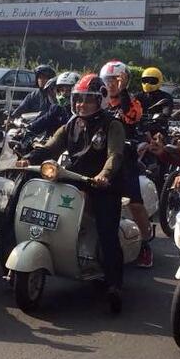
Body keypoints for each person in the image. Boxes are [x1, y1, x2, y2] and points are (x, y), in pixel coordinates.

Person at [20, 74, 128, 313]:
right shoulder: (71, 123)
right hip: (73, 180)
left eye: (88, 100)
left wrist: (105, 175)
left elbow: (115, 156)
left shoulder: (113, 125)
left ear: (100, 100)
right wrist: (27, 158)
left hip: (102, 187)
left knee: (107, 232)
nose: (81, 104)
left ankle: (114, 285)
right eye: (78, 99)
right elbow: (51, 146)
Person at [100, 60, 153, 268]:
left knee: (135, 203)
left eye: (116, 80)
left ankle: (146, 245)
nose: (112, 84)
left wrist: (122, 94)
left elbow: (131, 118)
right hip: (100, 157)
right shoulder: (99, 101)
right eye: (108, 80)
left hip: (124, 158)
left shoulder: (133, 102)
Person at [27, 71, 80, 137]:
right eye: (61, 90)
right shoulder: (57, 107)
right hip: (55, 143)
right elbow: (45, 119)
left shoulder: (80, 110)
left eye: (69, 90)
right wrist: (28, 129)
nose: (64, 94)